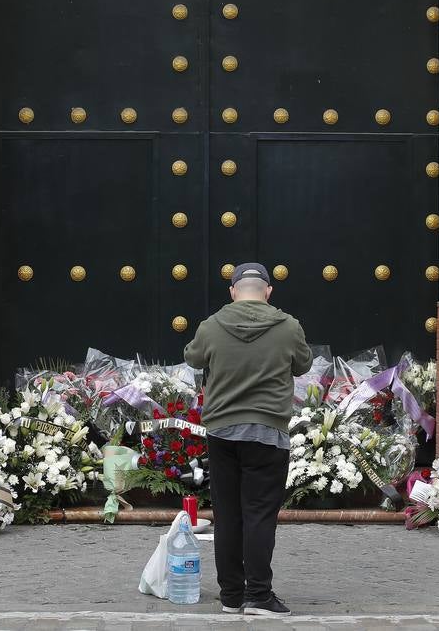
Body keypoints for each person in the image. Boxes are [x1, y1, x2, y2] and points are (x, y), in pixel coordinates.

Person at [183, 262, 311, 617]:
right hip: (268, 432)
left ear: (233, 292)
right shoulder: (288, 327)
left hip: (222, 431)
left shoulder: (211, 325)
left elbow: (192, 356)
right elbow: (302, 365)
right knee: (259, 515)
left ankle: (231, 596)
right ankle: (259, 595)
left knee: (227, 514)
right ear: (268, 291)